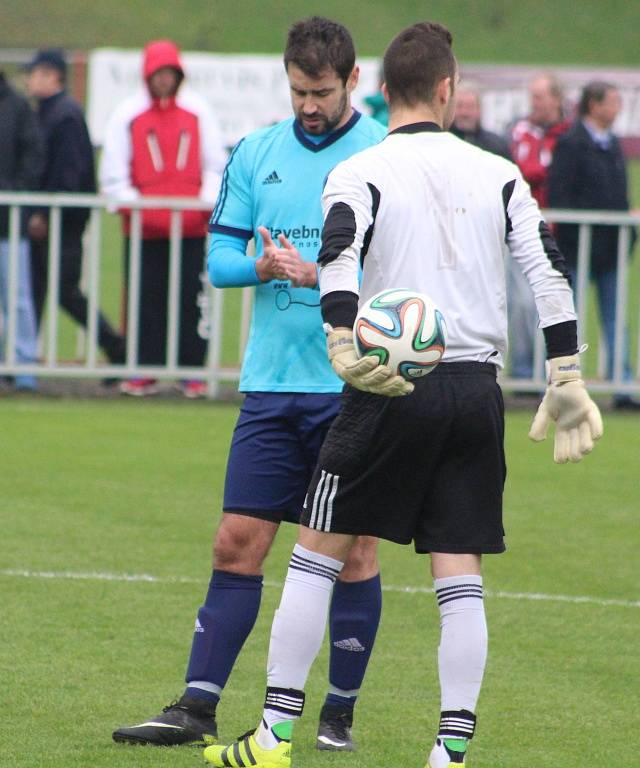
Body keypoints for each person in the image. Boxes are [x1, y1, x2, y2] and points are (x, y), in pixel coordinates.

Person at [203, 21, 603, 768]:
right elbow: (546, 271)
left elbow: (338, 253)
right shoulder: (498, 172)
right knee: (459, 573)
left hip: (387, 382)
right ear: (448, 90)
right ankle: (450, 750)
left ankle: (272, 737)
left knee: (315, 555)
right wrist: (566, 375)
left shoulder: (362, 168)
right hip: (475, 386)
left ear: (382, 92)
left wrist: (341, 342)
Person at [112, 17, 387, 751]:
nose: (308, 104)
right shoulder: (255, 152)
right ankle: (195, 707)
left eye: (321, 92)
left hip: (350, 389)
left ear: (352, 83)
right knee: (236, 542)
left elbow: (400, 276)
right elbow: (219, 259)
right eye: (298, 90)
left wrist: (331, 278)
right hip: (270, 388)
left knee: (351, 553)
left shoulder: (382, 155)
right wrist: (262, 268)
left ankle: (337, 716)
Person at [100, 40, 225, 398]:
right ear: (147, 75)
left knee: (192, 299)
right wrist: (141, 207)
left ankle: (192, 372)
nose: (164, 80)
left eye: (169, 73)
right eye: (158, 73)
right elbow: (113, 175)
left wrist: (200, 204)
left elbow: (215, 166)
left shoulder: (198, 111)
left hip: (190, 227)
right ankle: (143, 369)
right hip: (143, 230)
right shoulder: (128, 114)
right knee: (144, 300)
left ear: (178, 74)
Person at [25, 49, 126, 371]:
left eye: (38, 73)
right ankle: (24, 358)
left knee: (63, 291)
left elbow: (67, 173)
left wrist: (46, 212)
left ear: (55, 76)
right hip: (55, 218)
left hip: (62, 221)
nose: (31, 80)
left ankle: (116, 348)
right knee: (38, 290)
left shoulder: (63, 115)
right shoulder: (51, 112)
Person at [549, 80, 640, 411]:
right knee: (566, 320)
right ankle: (562, 384)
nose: (618, 108)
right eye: (613, 101)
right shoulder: (571, 143)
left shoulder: (612, 143)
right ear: (595, 105)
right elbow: (559, 196)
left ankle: (624, 386)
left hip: (611, 249)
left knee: (615, 317)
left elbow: (621, 194)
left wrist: (628, 235)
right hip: (576, 248)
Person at [507, 73, 572, 382]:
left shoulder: (571, 133)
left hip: (566, 234)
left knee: (561, 302)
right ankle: (524, 373)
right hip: (527, 231)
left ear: (556, 98)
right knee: (522, 303)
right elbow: (527, 169)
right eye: (531, 96)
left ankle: (557, 370)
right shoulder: (520, 130)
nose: (533, 103)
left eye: (539, 97)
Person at [0, 68, 44, 392]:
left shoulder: (16, 107)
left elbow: (33, 158)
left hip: (8, 221)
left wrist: (13, 195)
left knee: (17, 298)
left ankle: (24, 366)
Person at [449, 82, 511, 160]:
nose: (464, 112)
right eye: (459, 106)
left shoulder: (496, 146)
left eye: (470, 107)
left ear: (479, 110)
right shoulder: (442, 143)